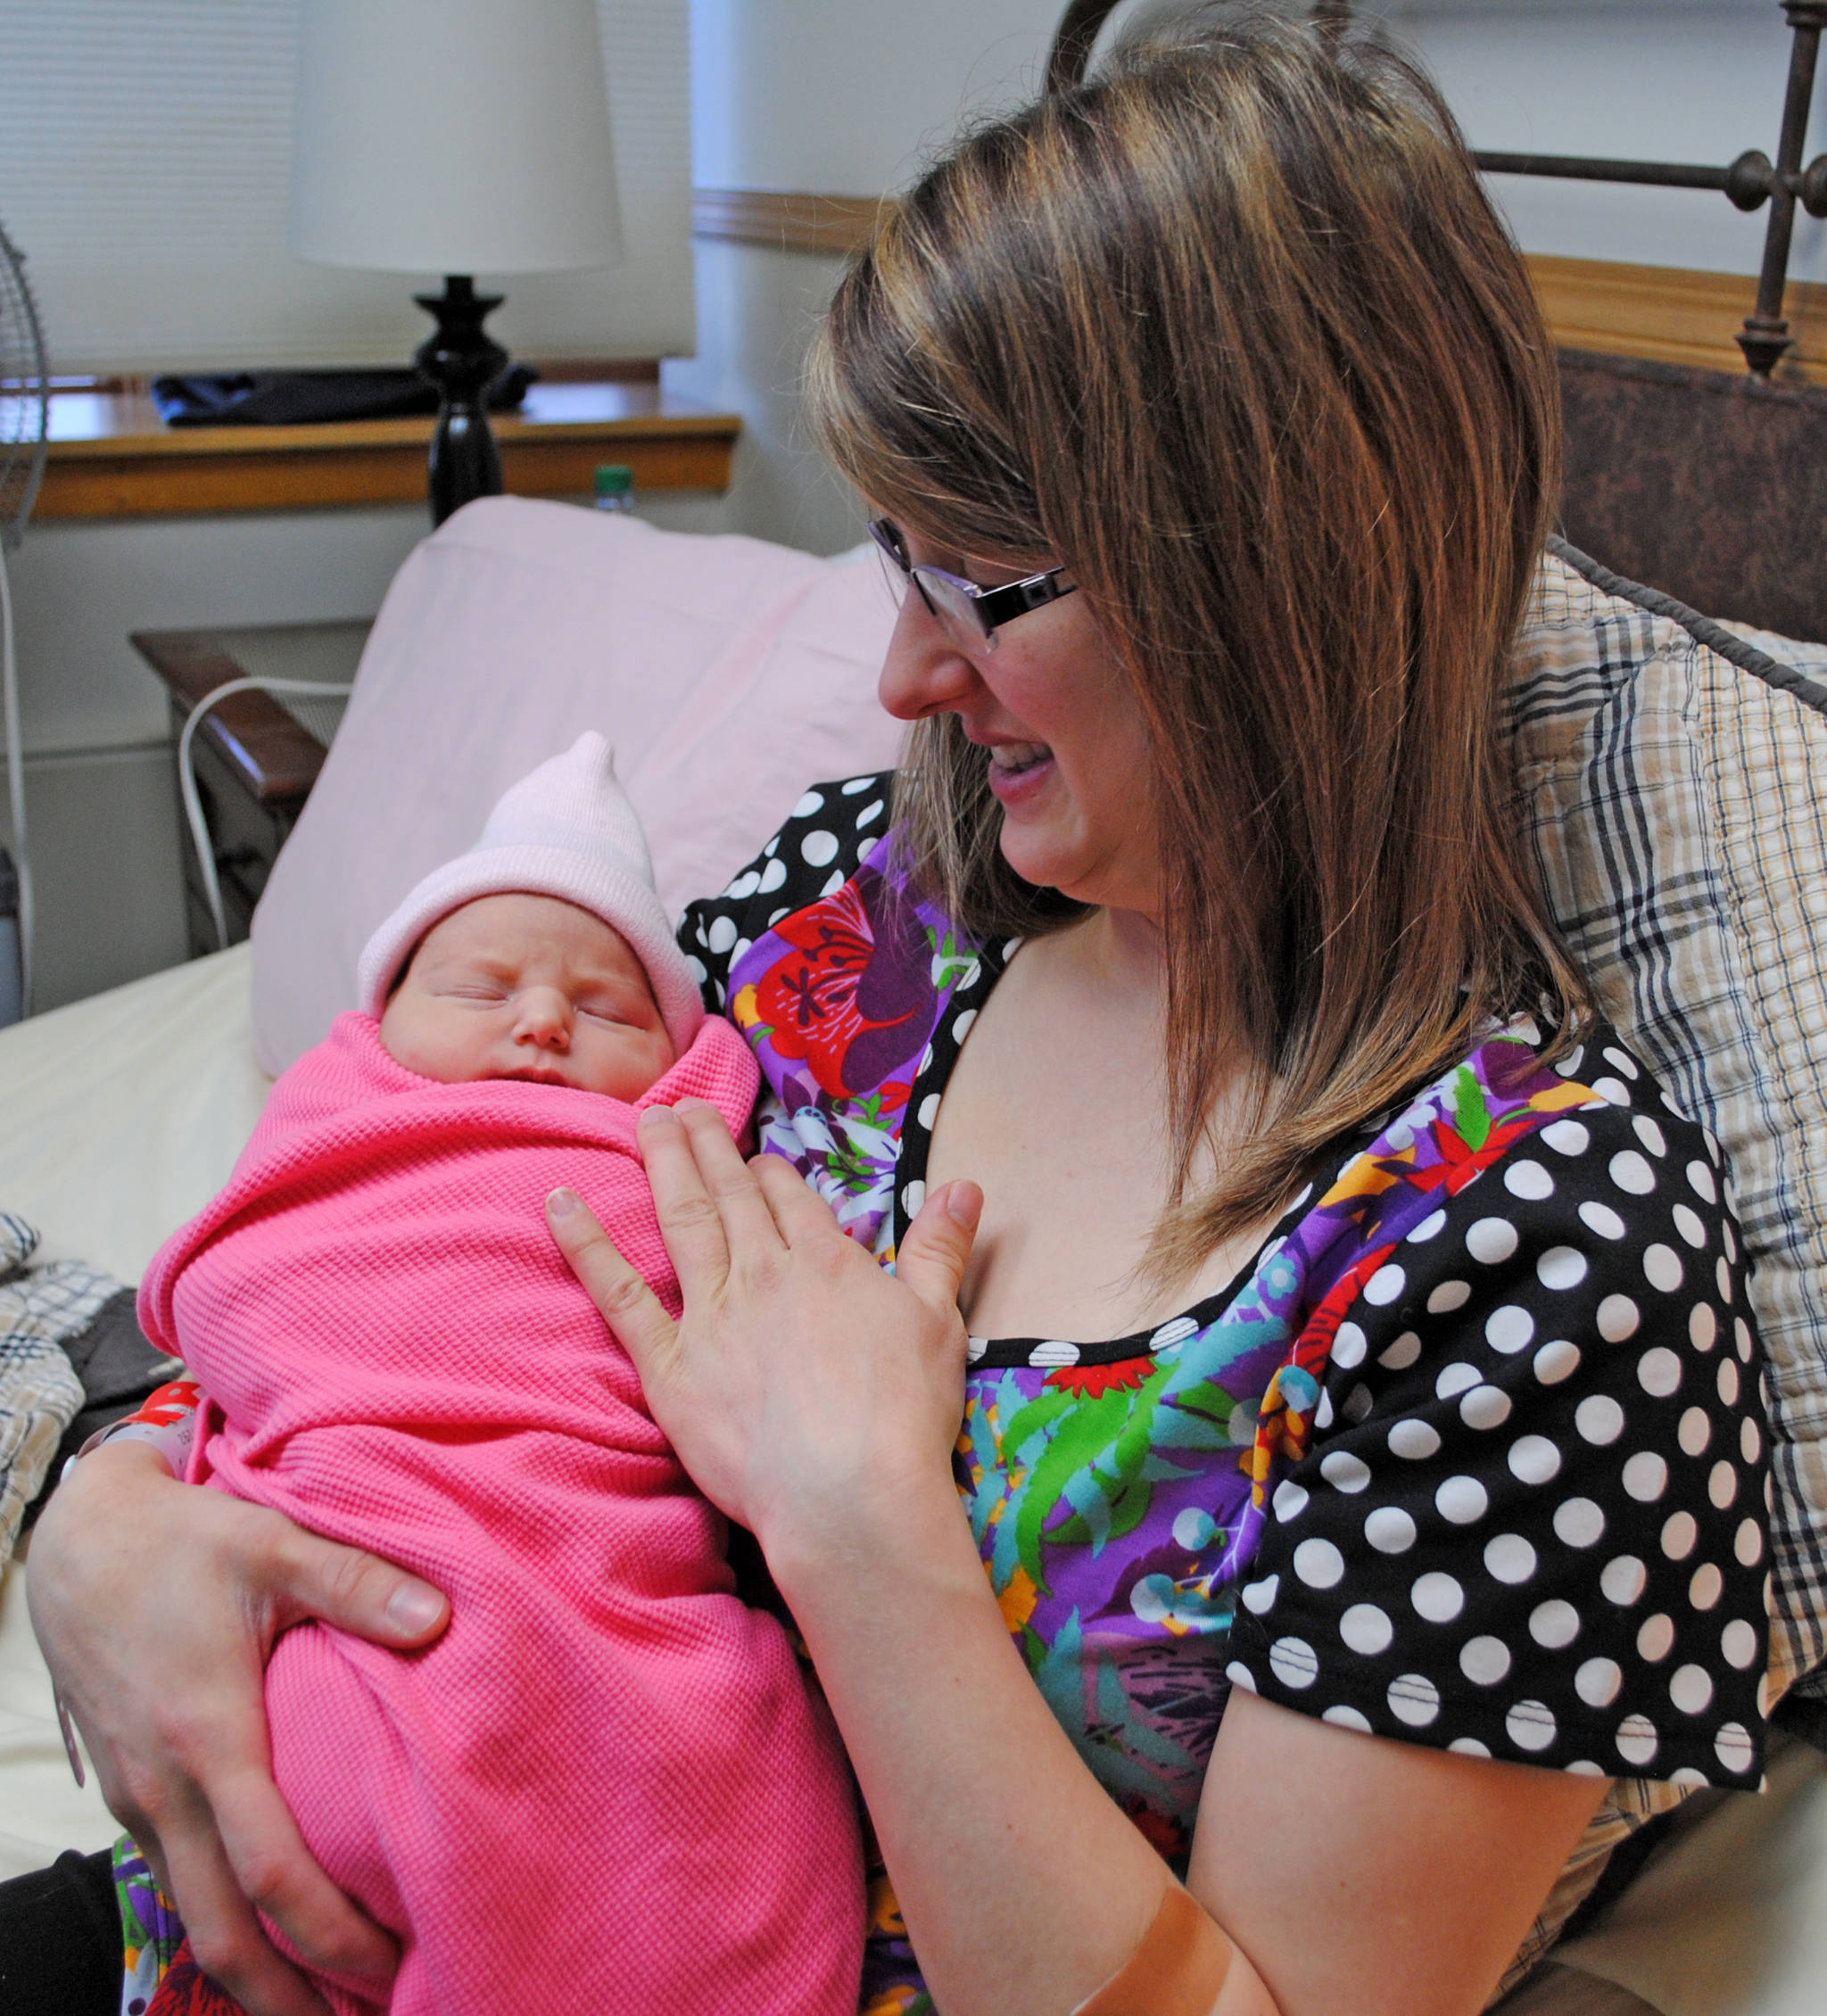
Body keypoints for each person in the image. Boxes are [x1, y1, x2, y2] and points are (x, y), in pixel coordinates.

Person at [26, 13, 1774, 2016]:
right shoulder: (865, 903)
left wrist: (861, 1525)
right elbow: (426, 1230)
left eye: (987, 585)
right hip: (253, 1913)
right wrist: (119, 1508)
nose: (901, 677)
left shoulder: (1534, 1255)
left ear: (1288, 572)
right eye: (891, 561)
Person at [96, 734, 863, 2016]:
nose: (544, 1019)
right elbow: (240, 1318)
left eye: (610, 1007)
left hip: (588, 1575)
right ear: (379, 1022)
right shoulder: (331, 1143)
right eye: (478, 986)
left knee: (686, 1800)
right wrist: (114, 1479)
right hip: (346, 1551)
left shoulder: (667, 1164)